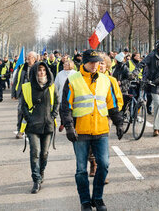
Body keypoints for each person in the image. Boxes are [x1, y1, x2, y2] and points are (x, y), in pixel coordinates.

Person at [60, 49, 124, 211]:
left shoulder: (105, 80)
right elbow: (66, 106)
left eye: (97, 62)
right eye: (92, 62)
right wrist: (69, 127)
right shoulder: (72, 80)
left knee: (104, 165)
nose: (95, 65)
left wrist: (119, 123)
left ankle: (98, 198)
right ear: (84, 63)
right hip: (80, 131)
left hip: (101, 130)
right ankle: (85, 202)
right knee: (81, 169)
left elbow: (112, 104)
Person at [19, 62, 59, 193]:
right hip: (33, 126)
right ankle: (36, 180)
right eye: (39, 70)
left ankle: (41, 172)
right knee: (35, 152)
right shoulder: (27, 87)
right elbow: (23, 106)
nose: (41, 73)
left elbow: (57, 102)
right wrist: (29, 119)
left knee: (44, 153)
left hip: (48, 125)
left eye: (43, 70)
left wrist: (53, 116)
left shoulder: (52, 86)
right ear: (35, 73)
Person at [134, 39, 159, 137]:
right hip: (153, 84)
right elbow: (142, 64)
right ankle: (155, 128)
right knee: (157, 104)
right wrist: (135, 72)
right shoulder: (152, 55)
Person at [12, 51, 38, 139]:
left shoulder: (39, 67)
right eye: (27, 56)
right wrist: (14, 93)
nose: (27, 58)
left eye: (29, 56)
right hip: (23, 92)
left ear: (34, 58)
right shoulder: (22, 67)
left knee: (35, 111)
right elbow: (16, 80)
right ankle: (20, 130)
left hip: (35, 92)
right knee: (21, 110)